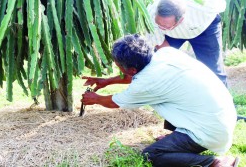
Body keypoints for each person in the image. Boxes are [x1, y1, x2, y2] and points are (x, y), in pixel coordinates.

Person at [82, 34, 239, 167]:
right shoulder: (166, 53)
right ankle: (179, 138)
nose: (118, 69)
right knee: (174, 97)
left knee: (151, 155)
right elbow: (139, 77)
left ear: (131, 70)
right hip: (223, 115)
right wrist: (107, 81)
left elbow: (114, 101)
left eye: (119, 66)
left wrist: (95, 99)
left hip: (210, 131)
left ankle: (215, 163)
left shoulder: (146, 84)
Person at [147, 0, 227, 86]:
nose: (161, 27)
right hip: (171, 34)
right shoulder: (150, 12)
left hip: (204, 28)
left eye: (165, 25)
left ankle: (225, 100)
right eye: (159, 24)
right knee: (157, 63)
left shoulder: (204, 4)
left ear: (180, 20)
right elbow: (161, 46)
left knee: (214, 71)